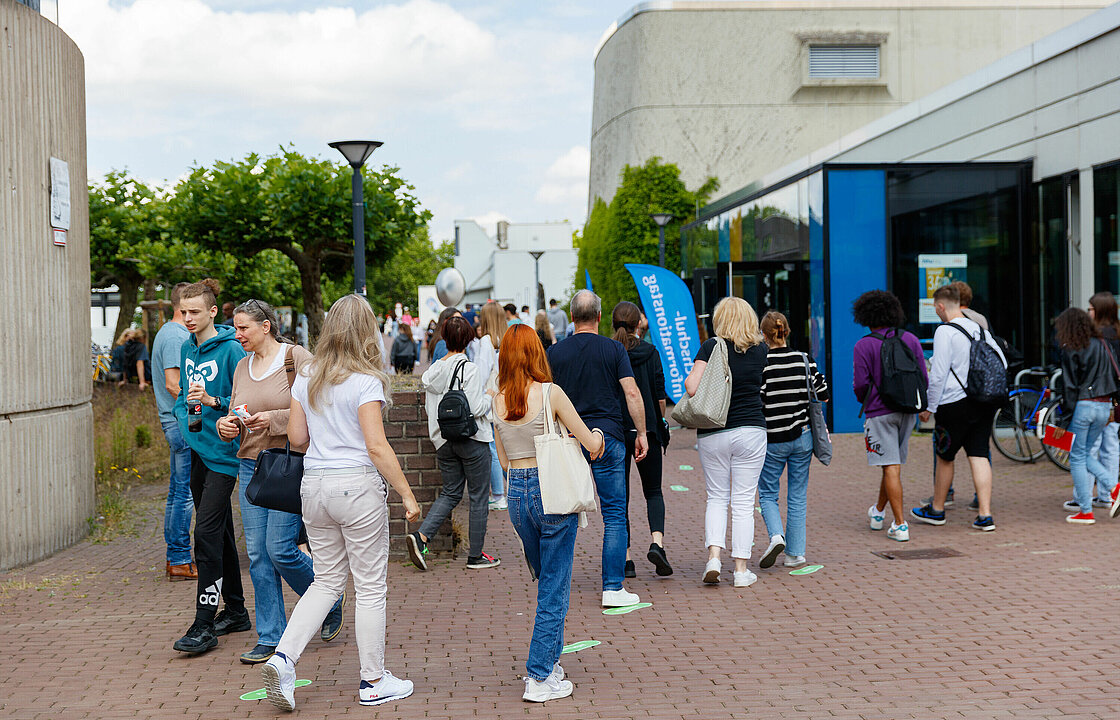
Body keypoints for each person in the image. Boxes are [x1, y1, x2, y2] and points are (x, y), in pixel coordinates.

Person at [261, 295, 421, 711]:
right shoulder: (366, 379)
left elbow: (296, 438)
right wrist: (406, 493)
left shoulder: (308, 373)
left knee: (326, 581)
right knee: (370, 587)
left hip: (313, 485)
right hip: (357, 486)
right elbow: (377, 446)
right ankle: (372, 680)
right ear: (367, 331)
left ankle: (283, 658)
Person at [216, 299, 344, 665]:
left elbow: (321, 402)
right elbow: (233, 414)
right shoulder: (241, 367)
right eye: (236, 328)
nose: (237, 334)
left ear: (266, 326)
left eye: (243, 328)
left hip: (288, 465)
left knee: (280, 549)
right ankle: (271, 635)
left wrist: (271, 418)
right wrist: (227, 427)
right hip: (250, 467)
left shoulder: (296, 358)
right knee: (257, 555)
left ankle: (327, 598)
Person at [492, 324, 605, 703]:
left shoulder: (497, 399)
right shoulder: (550, 393)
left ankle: (551, 663)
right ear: (535, 353)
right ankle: (539, 676)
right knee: (554, 590)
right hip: (551, 490)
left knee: (547, 582)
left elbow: (505, 462)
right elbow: (590, 443)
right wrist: (599, 439)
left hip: (518, 496)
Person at [547, 290, 648, 606]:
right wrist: (641, 432)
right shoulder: (614, 349)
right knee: (615, 512)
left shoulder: (554, 353)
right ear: (600, 317)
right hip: (609, 437)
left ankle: (554, 584)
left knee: (562, 512)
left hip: (568, 440)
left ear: (572, 317)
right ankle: (613, 587)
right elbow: (631, 394)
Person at [170, 278, 250, 654]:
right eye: (183, 312)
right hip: (198, 451)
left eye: (195, 312)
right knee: (217, 534)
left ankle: (204, 623)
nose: (188, 318)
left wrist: (214, 402)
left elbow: (242, 401)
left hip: (225, 457)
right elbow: (187, 399)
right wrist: (185, 421)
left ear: (213, 312)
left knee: (204, 535)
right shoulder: (188, 348)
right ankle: (235, 611)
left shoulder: (232, 350)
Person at [684, 297, 768, 588]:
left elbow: (692, 387)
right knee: (744, 502)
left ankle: (714, 559)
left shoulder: (711, 347)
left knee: (717, 497)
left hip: (714, 431)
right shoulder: (761, 351)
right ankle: (742, 570)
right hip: (752, 430)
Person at [406, 316, 500, 571]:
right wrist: (490, 394)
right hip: (472, 439)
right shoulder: (469, 369)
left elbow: (430, 409)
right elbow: (477, 407)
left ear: (445, 339)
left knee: (450, 492)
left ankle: (421, 536)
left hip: (443, 440)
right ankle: (476, 556)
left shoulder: (432, 371)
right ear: (468, 339)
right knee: (479, 496)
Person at [910, 284, 1006, 531]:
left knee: (945, 456)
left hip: (953, 403)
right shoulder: (978, 328)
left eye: (935, 308)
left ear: (941, 306)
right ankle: (985, 515)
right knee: (979, 453)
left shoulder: (945, 331)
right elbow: (1001, 361)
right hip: (982, 401)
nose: (937, 313)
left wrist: (929, 407)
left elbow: (939, 373)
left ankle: (937, 509)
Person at [852, 290, 927, 542]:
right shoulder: (911, 339)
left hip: (879, 411)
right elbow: (923, 379)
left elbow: (860, 384)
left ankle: (900, 524)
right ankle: (878, 512)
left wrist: (865, 399)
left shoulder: (863, 345)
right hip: (907, 411)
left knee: (890, 466)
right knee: (892, 464)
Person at [757, 311, 829, 570]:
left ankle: (777, 536)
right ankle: (795, 554)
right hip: (803, 436)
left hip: (772, 439)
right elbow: (823, 392)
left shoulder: (762, 363)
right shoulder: (804, 360)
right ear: (786, 331)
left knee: (767, 493)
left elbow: (758, 399)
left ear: (764, 335)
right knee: (797, 496)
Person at [610, 301, 672, 577]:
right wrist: (655, 423)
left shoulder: (610, 352)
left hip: (618, 430)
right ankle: (657, 542)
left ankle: (625, 557)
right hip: (648, 431)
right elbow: (660, 394)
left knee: (619, 495)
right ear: (639, 325)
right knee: (653, 491)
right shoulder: (650, 352)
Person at [1052, 307, 1120, 524]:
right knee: (1083, 453)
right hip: (1104, 404)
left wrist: (1064, 419)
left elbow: (1070, 387)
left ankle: (1086, 510)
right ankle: (1113, 487)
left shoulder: (1071, 348)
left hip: (1083, 405)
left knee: (1077, 456)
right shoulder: (1103, 343)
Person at [152, 282, 195, 581]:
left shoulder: (172, 333)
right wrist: (200, 405)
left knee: (178, 492)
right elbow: (172, 383)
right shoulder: (174, 336)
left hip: (175, 422)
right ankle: (179, 557)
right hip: (179, 423)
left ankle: (176, 557)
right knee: (185, 493)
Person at [1081, 291, 1120, 511]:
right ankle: (1107, 496)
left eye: (1091, 308)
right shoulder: (1118, 333)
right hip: (1115, 398)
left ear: (1100, 311)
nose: (1089, 312)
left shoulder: (1095, 336)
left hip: (1097, 395)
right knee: (1111, 446)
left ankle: (1084, 496)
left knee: (1089, 447)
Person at [474, 301, 508, 508]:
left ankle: (498, 495)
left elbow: (480, 373)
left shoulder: (485, 342)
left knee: (492, 448)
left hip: (490, 399)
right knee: (503, 447)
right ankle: (510, 489)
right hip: (505, 397)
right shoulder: (506, 339)